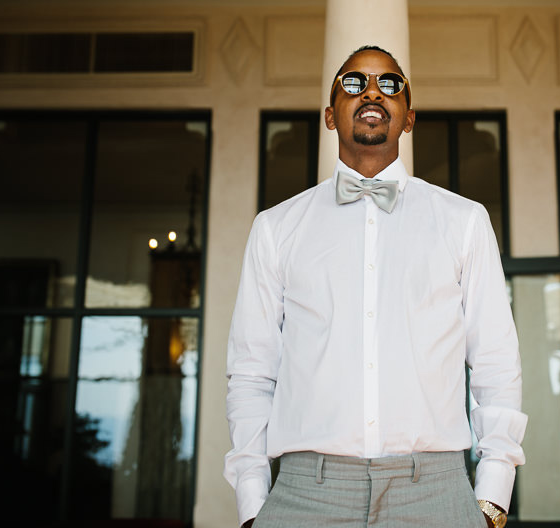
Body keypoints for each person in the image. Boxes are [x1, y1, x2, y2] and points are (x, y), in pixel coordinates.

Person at [224, 45, 527, 528]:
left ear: (408, 118)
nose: (371, 91)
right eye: (353, 82)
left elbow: (495, 363)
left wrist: (492, 495)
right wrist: (253, 502)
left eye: (390, 84)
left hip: (434, 492)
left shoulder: (464, 221)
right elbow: (252, 372)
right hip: (305, 494)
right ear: (330, 115)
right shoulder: (275, 228)